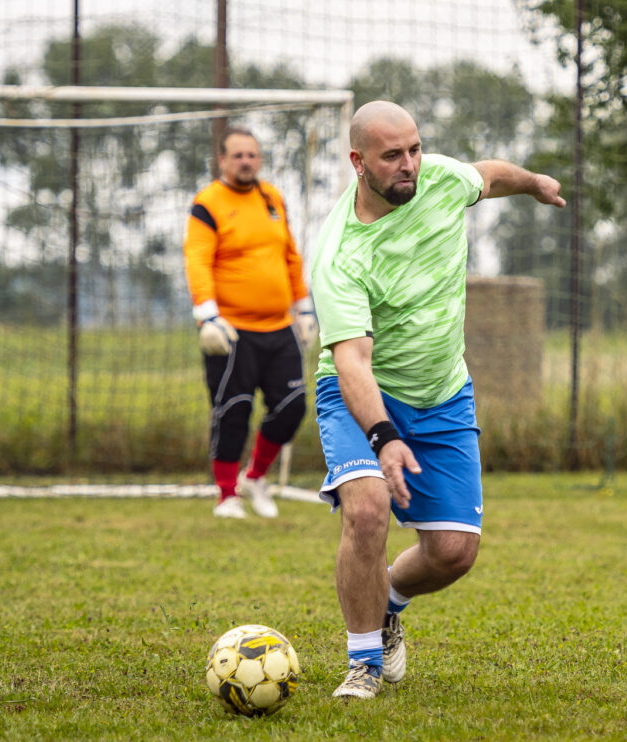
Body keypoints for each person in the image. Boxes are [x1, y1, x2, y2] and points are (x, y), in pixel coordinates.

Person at [307, 100, 564, 699]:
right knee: (366, 510)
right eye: (392, 155)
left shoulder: (442, 180)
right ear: (358, 162)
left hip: (444, 392)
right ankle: (364, 663)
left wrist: (533, 184)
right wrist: (383, 438)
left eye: (415, 149)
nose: (410, 164)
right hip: (362, 395)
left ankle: (388, 604)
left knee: (453, 552)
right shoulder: (339, 255)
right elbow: (352, 363)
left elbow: (490, 176)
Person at [184, 126, 318, 519]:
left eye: (252, 155)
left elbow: (290, 255)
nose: (246, 162)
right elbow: (197, 260)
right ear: (222, 160)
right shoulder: (207, 204)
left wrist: (304, 307)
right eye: (238, 155)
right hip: (230, 330)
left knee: (292, 408)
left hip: (279, 327)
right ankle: (227, 496)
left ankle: (256, 477)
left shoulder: (272, 197)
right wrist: (207, 315)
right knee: (233, 411)